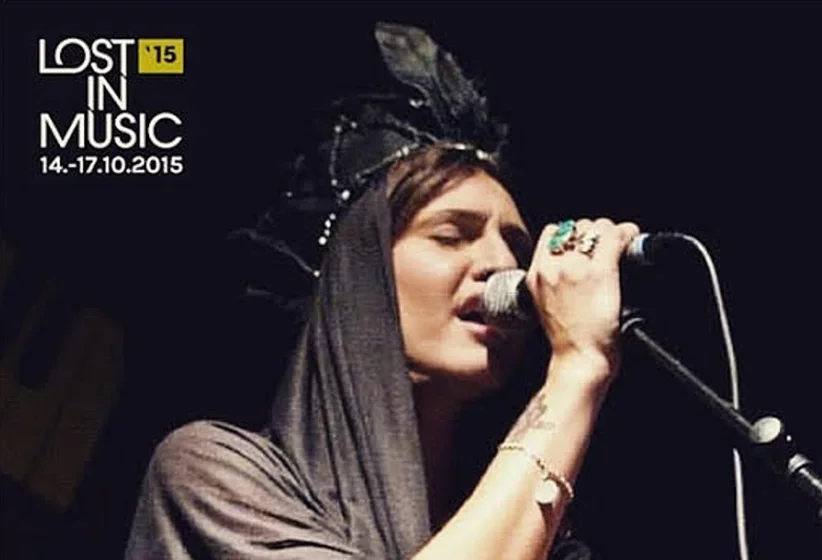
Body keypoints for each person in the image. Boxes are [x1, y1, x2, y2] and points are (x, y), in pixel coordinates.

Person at [125, 22, 639, 559]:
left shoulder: (544, 535)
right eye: (451, 236)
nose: (501, 265)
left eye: (516, 245)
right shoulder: (215, 476)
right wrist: (577, 367)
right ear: (360, 275)